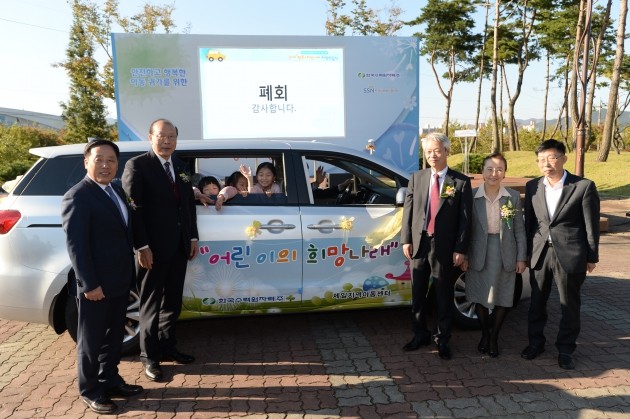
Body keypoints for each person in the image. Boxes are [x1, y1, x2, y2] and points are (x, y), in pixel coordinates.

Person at [61, 139, 143, 414]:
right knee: (91, 340)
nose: (106, 165)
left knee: (113, 337)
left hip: (120, 280)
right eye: (99, 159)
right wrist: (89, 284)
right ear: (86, 162)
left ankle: (109, 379)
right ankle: (90, 389)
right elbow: (77, 246)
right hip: (96, 284)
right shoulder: (78, 195)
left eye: (111, 160)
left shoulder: (116, 191)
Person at [122, 119, 199, 382]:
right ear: (150, 137)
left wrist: (192, 236)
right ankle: (149, 356)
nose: (166, 141)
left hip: (179, 246)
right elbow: (134, 210)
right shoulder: (138, 166)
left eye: (171, 136)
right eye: (161, 136)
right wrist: (141, 246)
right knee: (150, 304)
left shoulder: (180, 166)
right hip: (151, 250)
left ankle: (168, 346)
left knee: (172, 302)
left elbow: (188, 205)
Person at [521, 139, 600, 370]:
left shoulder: (583, 186)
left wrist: (592, 256)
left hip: (571, 253)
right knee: (537, 302)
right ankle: (535, 343)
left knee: (569, 305)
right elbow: (531, 224)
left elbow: (591, 224)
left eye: (552, 158)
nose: (547, 163)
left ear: (563, 158)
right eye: (542, 160)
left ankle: (566, 349)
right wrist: (526, 252)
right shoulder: (533, 186)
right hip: (539, 253)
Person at [400, 132, 472, 360]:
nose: (432, 155)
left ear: (447, 152)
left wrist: (461, 248)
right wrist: (406, 239)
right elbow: (408, 212)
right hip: (419, 243)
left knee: (443, 293)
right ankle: (419, 334)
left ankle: (443, 339)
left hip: (445, 246)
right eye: (428, 151)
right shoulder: (417, 178)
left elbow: (465, 219)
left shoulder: (460, 181)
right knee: (418, 293)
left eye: (437, 151)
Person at [461, 153, 526, 358]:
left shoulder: (512, 197)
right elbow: (464, 228)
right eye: (489, 169)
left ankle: (494, 337)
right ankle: (485, 333)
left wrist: (521, 257)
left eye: (499, 169)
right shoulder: (471, 195)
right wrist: (463, 255)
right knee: (479, 295)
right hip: (477, 251)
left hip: (505, 250)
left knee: (503, 296)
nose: (494, 173)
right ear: (482, 171)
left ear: (504, 173)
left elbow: (519, 229)